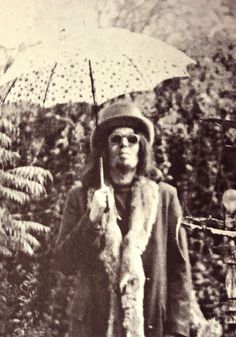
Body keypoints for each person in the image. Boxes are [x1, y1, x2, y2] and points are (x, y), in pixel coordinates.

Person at [55, 102, 191, 337]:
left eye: (132, 139)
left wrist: (177, 331)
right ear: (104, 149)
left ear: (142, 147)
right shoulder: (81, 197)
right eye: (115, 139)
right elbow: (64, 263)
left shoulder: (165, 198)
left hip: (149, 321)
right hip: (93, 325)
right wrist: (92, 218)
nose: (124, 145)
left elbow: (179, 270)